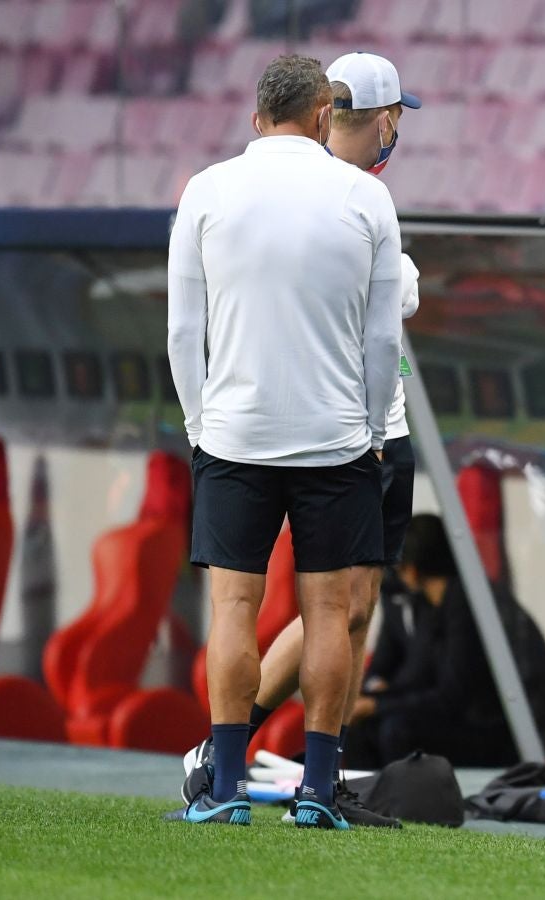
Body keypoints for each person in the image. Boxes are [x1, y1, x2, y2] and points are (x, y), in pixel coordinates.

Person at [177, 51, 422, 829]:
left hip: (236, 434)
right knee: (330, 614)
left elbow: (186, 330)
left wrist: (198, 426)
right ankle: (318, 789)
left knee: (235, 610)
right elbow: (385, 340)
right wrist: (373, 425)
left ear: (257, 117)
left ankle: (225, 789)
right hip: (335, 438)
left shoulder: (207, 188)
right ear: (324, 115)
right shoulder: (363, 199)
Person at [342, 514, 545, 770]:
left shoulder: (466, 603)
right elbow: (420, 676)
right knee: (360, 726)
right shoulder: (435, 603)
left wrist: (377, 705)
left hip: (499, 731)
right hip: (465, 717)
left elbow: (452, 695)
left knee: (397, 729)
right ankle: (362, 800)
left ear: (412, 569)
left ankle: (404, 803)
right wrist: (373, 700)